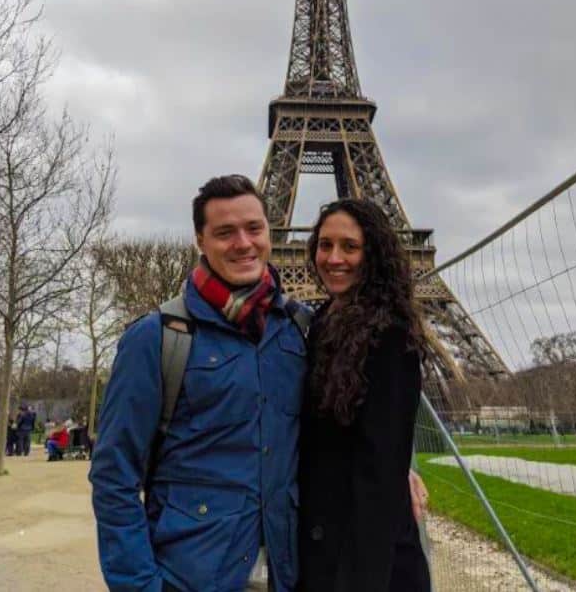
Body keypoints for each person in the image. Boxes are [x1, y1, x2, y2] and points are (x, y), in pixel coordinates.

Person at [90, 176, 428, 592]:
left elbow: (340, 427)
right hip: (192, 578)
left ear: (270, 232)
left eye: (253, 229)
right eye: (224, 232)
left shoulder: (301, 330)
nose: (243, 243)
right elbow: (113, 476)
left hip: (288, 574)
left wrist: (397, 470)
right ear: (200, 240)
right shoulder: (156, 338)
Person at [298, 199, 432, 591]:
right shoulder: (323, 321)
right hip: (325, 540)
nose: (334, 257)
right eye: (325, 245)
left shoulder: (390, 336)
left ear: (372, 253)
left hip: (364, 561)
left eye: (349, 247)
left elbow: (379, 470)